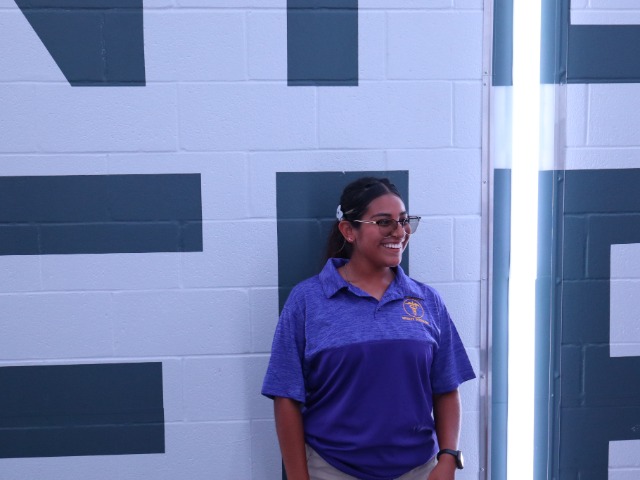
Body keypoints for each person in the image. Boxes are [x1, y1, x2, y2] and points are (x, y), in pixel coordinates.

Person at [262, 177, 475, 480]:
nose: (399, 232)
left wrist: (448, 458)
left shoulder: (427, 300)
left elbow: (446, 387)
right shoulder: (307, 300)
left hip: (418, 471)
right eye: (384, 222)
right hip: (332, 470)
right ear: (349, 230)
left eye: (404, 221)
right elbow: (286, 395)